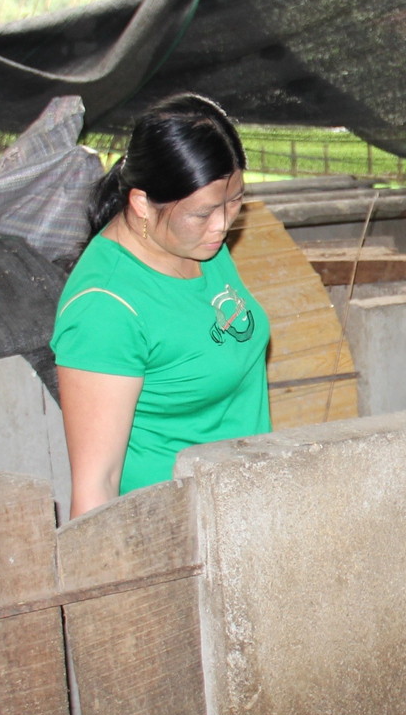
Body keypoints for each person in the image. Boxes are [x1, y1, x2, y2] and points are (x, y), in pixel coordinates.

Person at [54, 95, 270, 516]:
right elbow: (96, 485)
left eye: (235, 200)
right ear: (140, 203)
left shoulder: (198, 246)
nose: (224, 224)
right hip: (176, 532)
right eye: (203, 212)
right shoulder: (104, 309)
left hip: (243, 510)